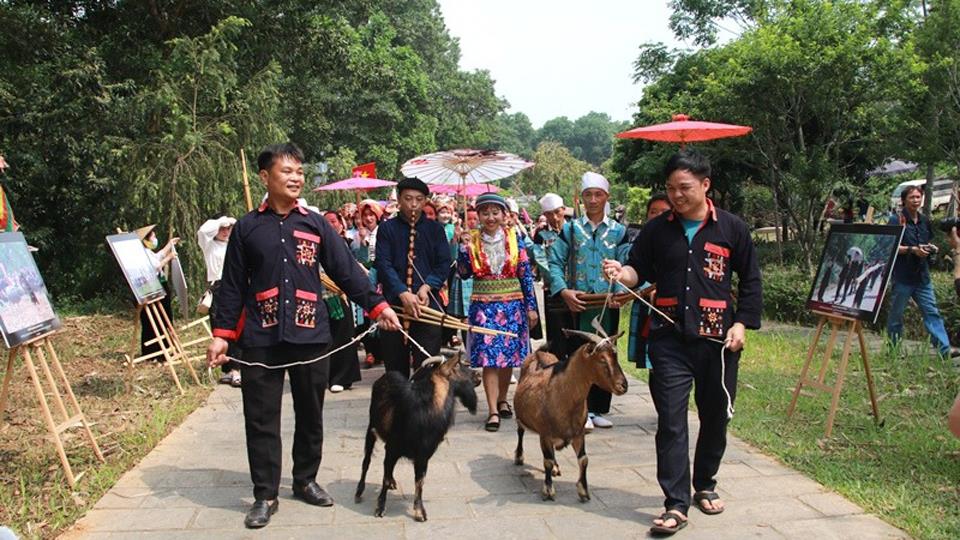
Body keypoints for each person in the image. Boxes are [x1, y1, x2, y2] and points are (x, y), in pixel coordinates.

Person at [207, 143, 400, 529]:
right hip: (261, 336)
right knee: (261, 418)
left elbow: (346, 270)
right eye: (287, 171)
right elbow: (230, 286)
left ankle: (305, 480)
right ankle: (265, 493)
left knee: (310, 412)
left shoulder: (314, 224)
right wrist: (222, 334)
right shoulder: (247, 228)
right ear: (266, 177)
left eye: (299, 171)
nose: (295, 178)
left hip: (311, 335)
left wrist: (378, 307)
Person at [603, 150, 762, 535]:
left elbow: (752, 281)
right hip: (668, 338)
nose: (676, 195)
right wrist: (619, 272)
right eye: (671, 188)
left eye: (684, 188)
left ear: (706, 185)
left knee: (716, 416)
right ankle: (675, 503)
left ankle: (704, 484)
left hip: (717, 342)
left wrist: (741, 325)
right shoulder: (658, 230)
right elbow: (636, 269)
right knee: (671, 421)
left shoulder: (732, 229)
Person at [547, 173, 631, 430]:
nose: (593, 200)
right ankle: (578, 408)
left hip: (606, 304)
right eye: (588, 195)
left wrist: (619, 291)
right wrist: (563, 291)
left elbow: (625, 264)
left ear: (607, 196)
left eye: (598, 194)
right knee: (577, 356)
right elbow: (554, 262)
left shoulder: (619, 232)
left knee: (605, 354)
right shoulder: (571, 230)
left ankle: (597, 409)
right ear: (581, 198)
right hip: (577, 303)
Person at [458, 193, 538, 432]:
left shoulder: (515, 239)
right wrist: (462, 250)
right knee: (488, 360)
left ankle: (503, 399)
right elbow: (463, 273)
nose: (490, 217)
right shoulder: (471, 240)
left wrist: (531, 307)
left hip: (512, 307)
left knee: (508, 360)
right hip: (483, 308)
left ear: (504, 215)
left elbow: (525, 274)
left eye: (495, 212)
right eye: (485, 212)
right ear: (478, 216)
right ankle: (492, 409)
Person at [374, 177, 451, 378]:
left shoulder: (435, 230)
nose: (414, 204)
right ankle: (398, 409)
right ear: (399, 199)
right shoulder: (387, 228)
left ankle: (425, 408)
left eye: (419, 199)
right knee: (395, 370)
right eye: (408, 198)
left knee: (427, 368)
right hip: (394, 307)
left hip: (427, 306)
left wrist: (427, 286)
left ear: (426, 200)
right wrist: (401, 292)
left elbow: (444, 263)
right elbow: (383, 264)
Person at [886, 185, 958, 359]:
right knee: (896, 315)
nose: (915, 200)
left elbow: (926, 241)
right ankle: (893, 350)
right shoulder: (897, 220)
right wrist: (912, 249)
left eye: (918, 197)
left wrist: (930, 248)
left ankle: (944, 349)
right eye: (912, 197)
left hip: (922, 276)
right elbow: (890, 246)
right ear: (904, 200)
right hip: (903, 275)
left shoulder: (924, 220)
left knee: (931, 311)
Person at [197, 216, 241, 386]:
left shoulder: (234, 245)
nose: (225, 231)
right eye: (223, 228)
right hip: (218, 287)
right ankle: (229, 369)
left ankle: (237, 368)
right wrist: (223, 220)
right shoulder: (209, 245)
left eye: (228, 229)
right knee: (220, 328)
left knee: (236, 327)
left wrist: (233, 224)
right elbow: (203, 231)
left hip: (235, 287)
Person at [137, 224, 179, 358]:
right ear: (146, 240)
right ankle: (154, 351)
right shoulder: (142, 254)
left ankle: (167, 346)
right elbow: (154, 267)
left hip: (159, 286)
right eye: (153, 237)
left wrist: (169, 245)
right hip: (151, 288)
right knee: (154, 320)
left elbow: (157, 256)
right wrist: (169, 257)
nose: (155, 239)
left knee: (164, 316)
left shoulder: (149, 252)